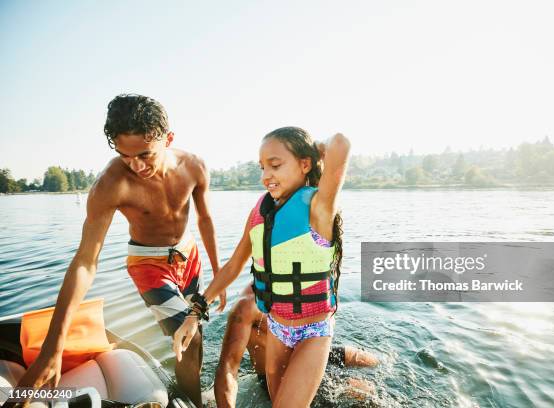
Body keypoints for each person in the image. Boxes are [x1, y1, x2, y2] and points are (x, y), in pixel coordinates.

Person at [17, 94, 224, 407]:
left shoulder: (194, 166)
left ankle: (189, 390)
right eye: (125, 156)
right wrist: (52, 348)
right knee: (189, 336)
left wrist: (218, 270)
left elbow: (206, 219)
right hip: (148, 263)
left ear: (168, 139)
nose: (136, 166)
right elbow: (86, 262)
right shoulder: (111, 184)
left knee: (196, 333)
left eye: (145, 154)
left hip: (189, 255)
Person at [174, 127, 350, 407]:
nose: (265, 175)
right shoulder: (260, 211)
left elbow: (340, 143)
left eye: (275, 165)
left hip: (313, 331)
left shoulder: (319, 207)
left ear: (305, 164)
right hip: (278, 330)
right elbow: (233, 265)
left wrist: (314, 149)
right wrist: (195, 313)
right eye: (262, 167)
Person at [213, 284, 379, 407]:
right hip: (280, 376)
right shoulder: (248, 306)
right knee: (359, 395)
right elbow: (228, 366)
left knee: (373, 364)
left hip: (316, 358)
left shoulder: (310, 287)